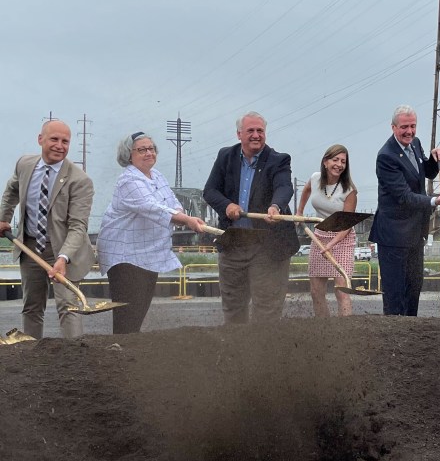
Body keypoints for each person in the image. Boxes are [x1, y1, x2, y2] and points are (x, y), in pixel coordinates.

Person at [96, 132, 206, 334]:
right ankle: (121, 351)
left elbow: (173, 204)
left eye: (151, 148)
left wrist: (183, 215)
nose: (149, 153)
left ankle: (129, 349)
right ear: (129, 155)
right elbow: (153, 208)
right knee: (128, 312)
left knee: (140, 309)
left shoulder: (158, 176)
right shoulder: (128, 180)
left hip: (148, 252)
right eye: (142, 149)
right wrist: (187, 220)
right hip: (125, 255)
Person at [0, 120, 94, 338]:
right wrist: (4, 218)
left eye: (65, 141)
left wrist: (63, 258)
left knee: (68, 307)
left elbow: (78, 226)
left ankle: (74, 356)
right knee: (31, 306)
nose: (59, 146)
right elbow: (12, 189)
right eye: (54, 139)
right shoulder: (25, 164)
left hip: (64, 250)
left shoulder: (80, 181)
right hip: (30, 246)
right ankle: (33, 355)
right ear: (40, 139)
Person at [203, 112, 299, 324]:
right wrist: (226, 205)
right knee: (233, 309)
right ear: (239, 134)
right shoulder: (225, 157)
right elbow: (210, 191)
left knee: (266, 310)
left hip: (268, 246)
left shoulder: (279, 160)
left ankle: (264, 354)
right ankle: (237, 355)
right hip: (233, 244)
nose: (256, 135)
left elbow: (284, 186)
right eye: (251, 131)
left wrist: (275, 207)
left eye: (260, 131)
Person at [368, 105, 440, 316]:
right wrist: (434, 201)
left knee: (413, 289)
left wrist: (435, 159)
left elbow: (426, 172)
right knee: (395, 296)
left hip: (415, 233)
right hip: (394, 236)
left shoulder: (416, 144)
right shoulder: (386, 156)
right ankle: (393, 342)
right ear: (393, 127)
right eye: (404, 127)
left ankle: (411, 337)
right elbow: (403, 196)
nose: (409, 132)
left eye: (413, 126)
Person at [297, 144, 358, 317]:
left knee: (342, 291)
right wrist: (300, 211)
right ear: (325, 162)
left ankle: (344, 332)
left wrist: (331, 244)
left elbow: (347, 224)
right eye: (335, 160)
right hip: (319, 236)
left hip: (342, 239)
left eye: (343, 161)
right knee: (316, 291)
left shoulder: (349, 190)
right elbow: (307, 189)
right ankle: (324, 329)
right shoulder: (316, 178)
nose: (339, 164)